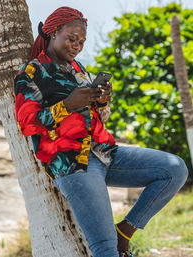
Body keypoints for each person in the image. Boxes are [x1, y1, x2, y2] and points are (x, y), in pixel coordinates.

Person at [14, 6, 188, 257]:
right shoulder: (31, 72)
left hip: (105, 152)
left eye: (81, 42)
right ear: (53, 32)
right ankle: (113, 242)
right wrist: (67, 105)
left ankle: (125, 232)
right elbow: (27, 124)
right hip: (72, 164)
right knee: (105, 250)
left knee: (174, 169)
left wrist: (103, 101)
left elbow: (99, 118)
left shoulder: (79, 69)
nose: (76, 46)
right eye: (71, 39)